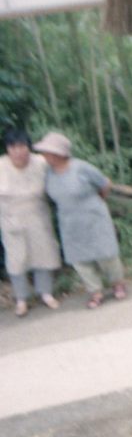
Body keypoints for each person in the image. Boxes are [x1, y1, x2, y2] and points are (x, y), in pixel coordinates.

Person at [32, 132, 125, 310]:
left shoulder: (81, 168)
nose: (44, 156)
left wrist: (95, 202)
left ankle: (117, 283)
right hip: (69, 221)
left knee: (106, 254)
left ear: (58, 153)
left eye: (47, 152)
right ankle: (95, 291)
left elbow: (105, 184)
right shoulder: (48, 174)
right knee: (80, 260)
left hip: (93, 216)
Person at [0, 129, 61, 317]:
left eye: (22, 146)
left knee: (43, 254)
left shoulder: (41, 163)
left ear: (28, 147)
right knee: (17, 260)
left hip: (37, 215)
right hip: (11, 218)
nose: (18, 151)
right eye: (13, 147)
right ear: (8, 149)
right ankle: (21, 299)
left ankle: (46, 293)